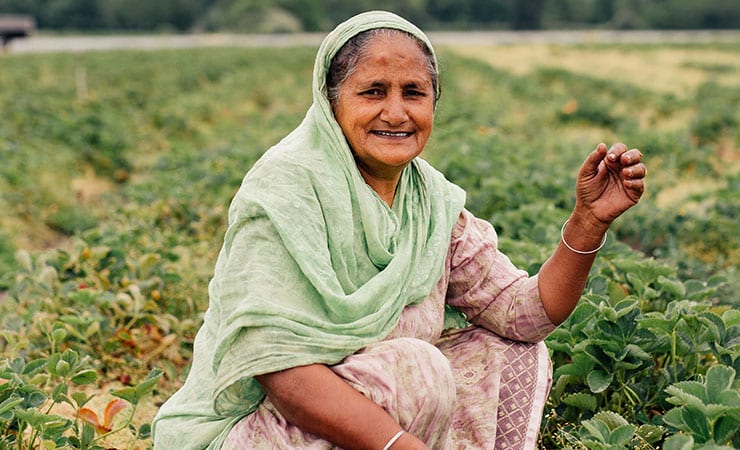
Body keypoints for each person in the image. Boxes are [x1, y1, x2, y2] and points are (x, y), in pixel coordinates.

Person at [152, 10, 646, 450]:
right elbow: (283, 371)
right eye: (372, 92)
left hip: (360, 418)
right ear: (331, 101)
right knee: (417, 368)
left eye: (414, 93)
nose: (396, 112)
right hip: (247, 430)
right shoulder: (287, 189)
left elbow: (525, 315)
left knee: (506, 352)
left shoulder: (429, 200)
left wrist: (587, 221)